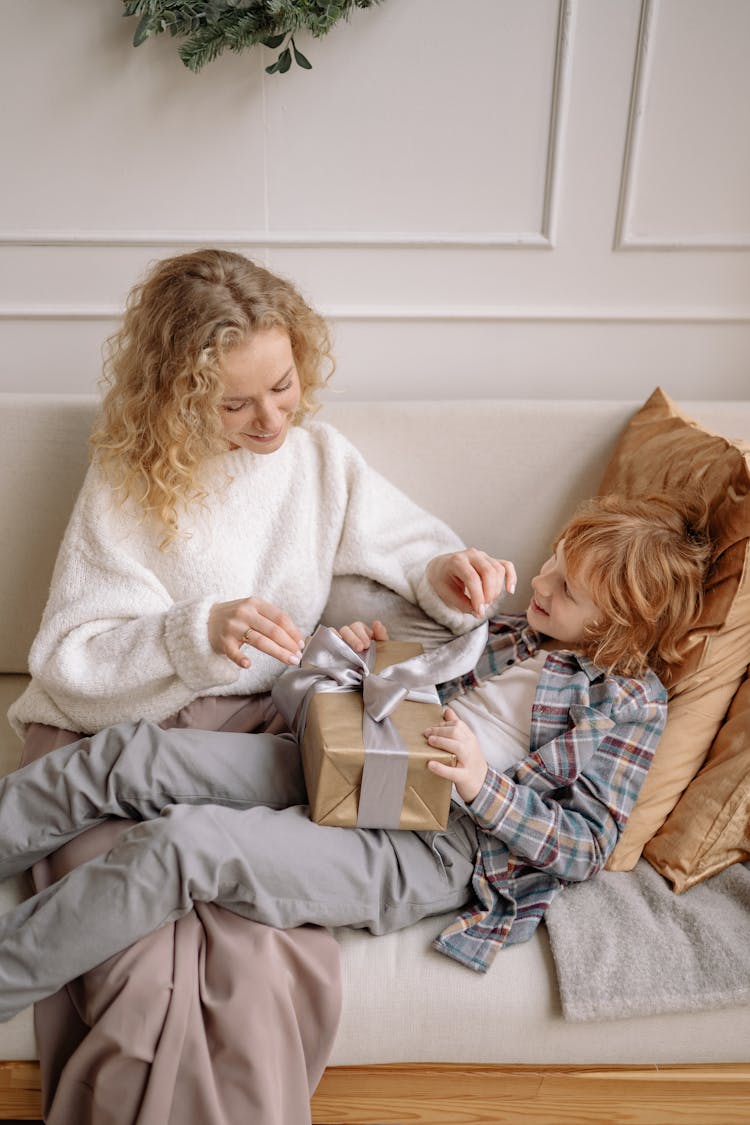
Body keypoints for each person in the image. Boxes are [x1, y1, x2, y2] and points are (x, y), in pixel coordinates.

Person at [6, 248, 480, 1125]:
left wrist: (453, 572)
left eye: (285, 385)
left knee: (257, 976)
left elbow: (418, 556)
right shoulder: (127, 477)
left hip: (255, 739)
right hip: (106, 738)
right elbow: (69, 658)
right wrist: (196, 632)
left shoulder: (322, 462)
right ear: (182, 393)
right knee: (140, 977)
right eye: (235, 402)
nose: (270, 419)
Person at [0, 492, 711, 1011]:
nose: (542, 582)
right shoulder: (513, 633)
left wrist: (478, 783)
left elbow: (586, 846)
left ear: (622, 622)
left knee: (186, 844)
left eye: (567, 587)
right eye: (553, 560)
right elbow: (383, 686)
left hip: (435, 843)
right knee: (129, 756)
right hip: (355, 758)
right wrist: (349, 656)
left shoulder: (629, 705)